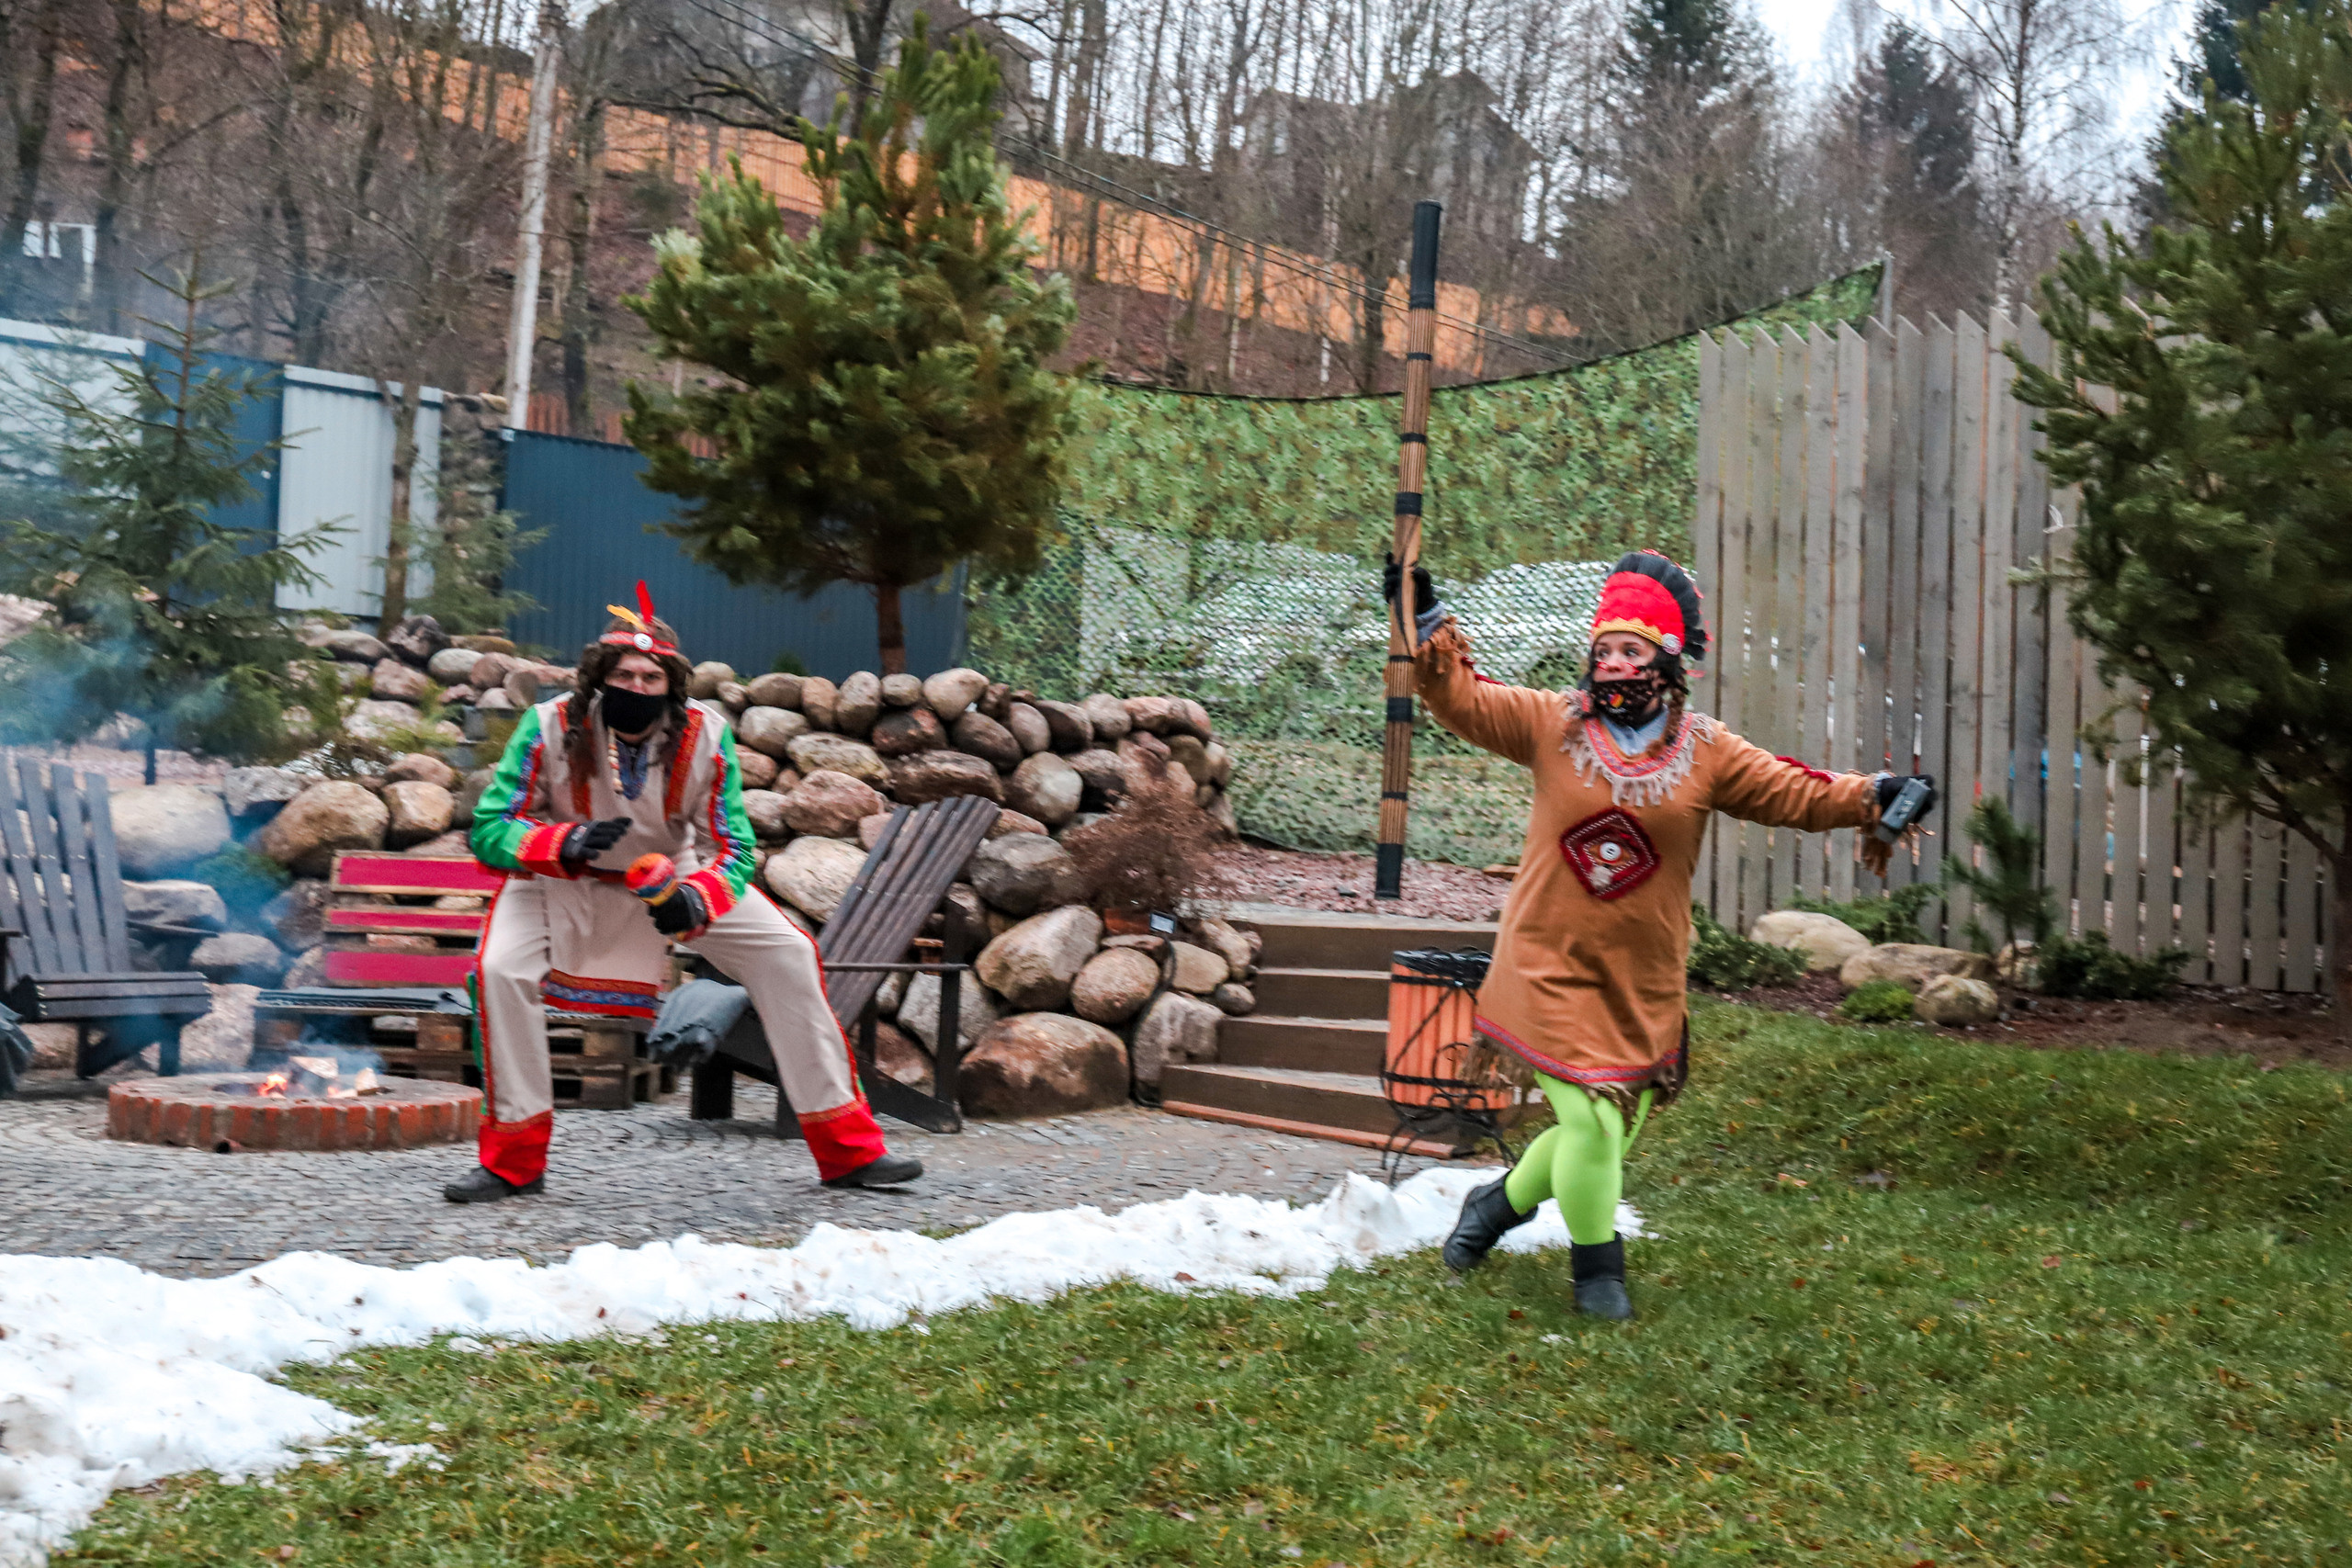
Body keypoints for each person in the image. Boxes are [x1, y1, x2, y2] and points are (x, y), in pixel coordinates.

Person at [1386, 550, 1933, 1317]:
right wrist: (1425, 615)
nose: (1613, 663)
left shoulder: (1707, 750)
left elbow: (1791, 788)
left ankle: (1495, 1205)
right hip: (1547, 964)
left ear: (1667, 662)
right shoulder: (1552, 724)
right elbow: (1463, 698)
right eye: (1603, 650)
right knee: (1587, 1121)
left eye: (1631, 651)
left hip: (1641, 980)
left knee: (1602, 1130)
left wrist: (1876, 794)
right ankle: (1598, 1277)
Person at [444, 584, 922, 1202]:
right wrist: (564, 841)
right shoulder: (547, 726)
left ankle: (849, 1150)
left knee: (789, 951)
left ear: (671, 681)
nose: (637, 686)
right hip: (560, 879)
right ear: (599, 676)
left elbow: (734, 847)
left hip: (672, 876)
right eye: (624, 673)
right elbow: (489, 825)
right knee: (499, 971)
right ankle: (514, 1161)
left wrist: (695, 897)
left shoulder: (707, 733)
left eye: (650, 675)